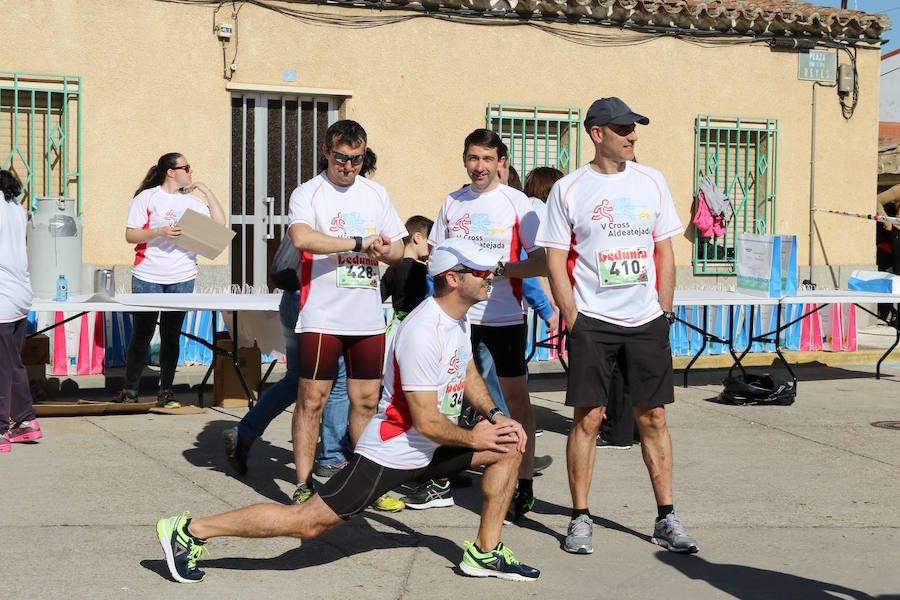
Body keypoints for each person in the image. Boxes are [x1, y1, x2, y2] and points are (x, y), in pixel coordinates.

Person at [155, 238, 540, 583]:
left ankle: (485, 553)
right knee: (305, 524)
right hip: (393, 452)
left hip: (431, 447)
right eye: (480, 271)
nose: (491, 275)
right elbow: (425, 421)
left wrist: (494, 416)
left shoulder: (456, 321)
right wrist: (474, 436)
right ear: (453, 279)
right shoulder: (424, 331)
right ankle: (189, 531)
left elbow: (468, 370)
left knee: (509, 446)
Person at [538, 97, 699, 555]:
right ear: (597, 134)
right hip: (594, 322)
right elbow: (553, 255)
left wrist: (664, 310)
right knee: (587, 419)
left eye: (634, 128)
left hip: (647, 320)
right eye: (624, 128)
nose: (633, 135)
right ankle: (580, 517)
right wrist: (573, 318)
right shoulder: (569, 189)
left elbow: (665, 249)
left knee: (653, 416)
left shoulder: (652, 180)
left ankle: (667, 517)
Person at [429, 129, 547, 523]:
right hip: (457, 317)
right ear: (465, 160)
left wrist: (503, 270)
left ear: (501, 163)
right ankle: (441, 477)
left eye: (486, 159)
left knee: (516, 403)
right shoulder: (452, 202)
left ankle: (524, 483)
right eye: (472, 158)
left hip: (502, 317)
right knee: (448, 398)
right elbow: (436, 258)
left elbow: (544, 261)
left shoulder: (519, 204)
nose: (479, 167)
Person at [287, 120, 407, 505]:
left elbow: (400, 251)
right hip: (322, 315)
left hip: (367, 316)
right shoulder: (309, 193)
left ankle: (365, 482)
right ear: (326, 151)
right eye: (342, 158)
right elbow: (302, 238)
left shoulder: (375, 193)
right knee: (312, 400)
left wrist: (384, 249)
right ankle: (304, 482)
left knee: (368, 401)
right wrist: (358, 241)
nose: (349, 166)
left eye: (357, 159)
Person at [114, 153, 225, 408]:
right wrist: (159, 232)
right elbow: (131, 235)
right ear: (171, 172)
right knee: (142, 334)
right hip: (148, 274)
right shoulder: (148, 197)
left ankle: (166, 390)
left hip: (183, 275)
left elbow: (219, 224)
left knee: (171, 335)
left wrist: (207, 191)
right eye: (186, 167)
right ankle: (130, 390)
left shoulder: (192, 201)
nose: (190, 171)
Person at [0, 170, 42, 452]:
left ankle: (2, 430)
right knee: (12, 362)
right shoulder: (16, 208)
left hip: (2, 296)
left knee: (3, 367)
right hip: (19, 296)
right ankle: (26, 421)